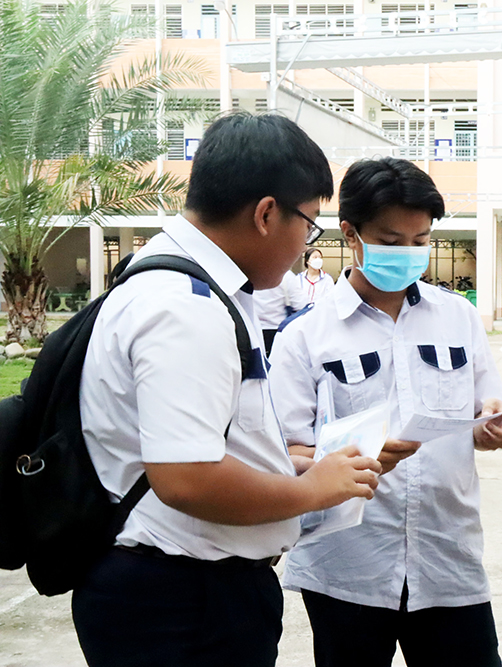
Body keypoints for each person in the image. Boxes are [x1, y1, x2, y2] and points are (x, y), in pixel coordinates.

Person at [74, 112, 382, 667]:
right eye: (309, 225)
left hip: (179, 591)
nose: (305, 245)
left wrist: (279, 465)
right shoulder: (185, 307)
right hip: (183, 603)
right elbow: (187, 479)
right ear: (266, 214)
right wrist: (315, 491)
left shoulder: (185, 281)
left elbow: (191, 443)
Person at [268, 156, 502, 667]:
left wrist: (495, 423)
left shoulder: (459, 318)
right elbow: (283, 453)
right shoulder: (304, 336)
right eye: (390, 241)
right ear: (350, 234)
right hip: (349, 566)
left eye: (420, 241)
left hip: (448, 558)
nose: (408, 253)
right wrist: (349, 456)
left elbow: (483, 409)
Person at [255, 269, 309, 356]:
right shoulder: (285, 274)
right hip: (279, 330)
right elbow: (301, 304)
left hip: (252, 331)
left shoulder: (249, 273)